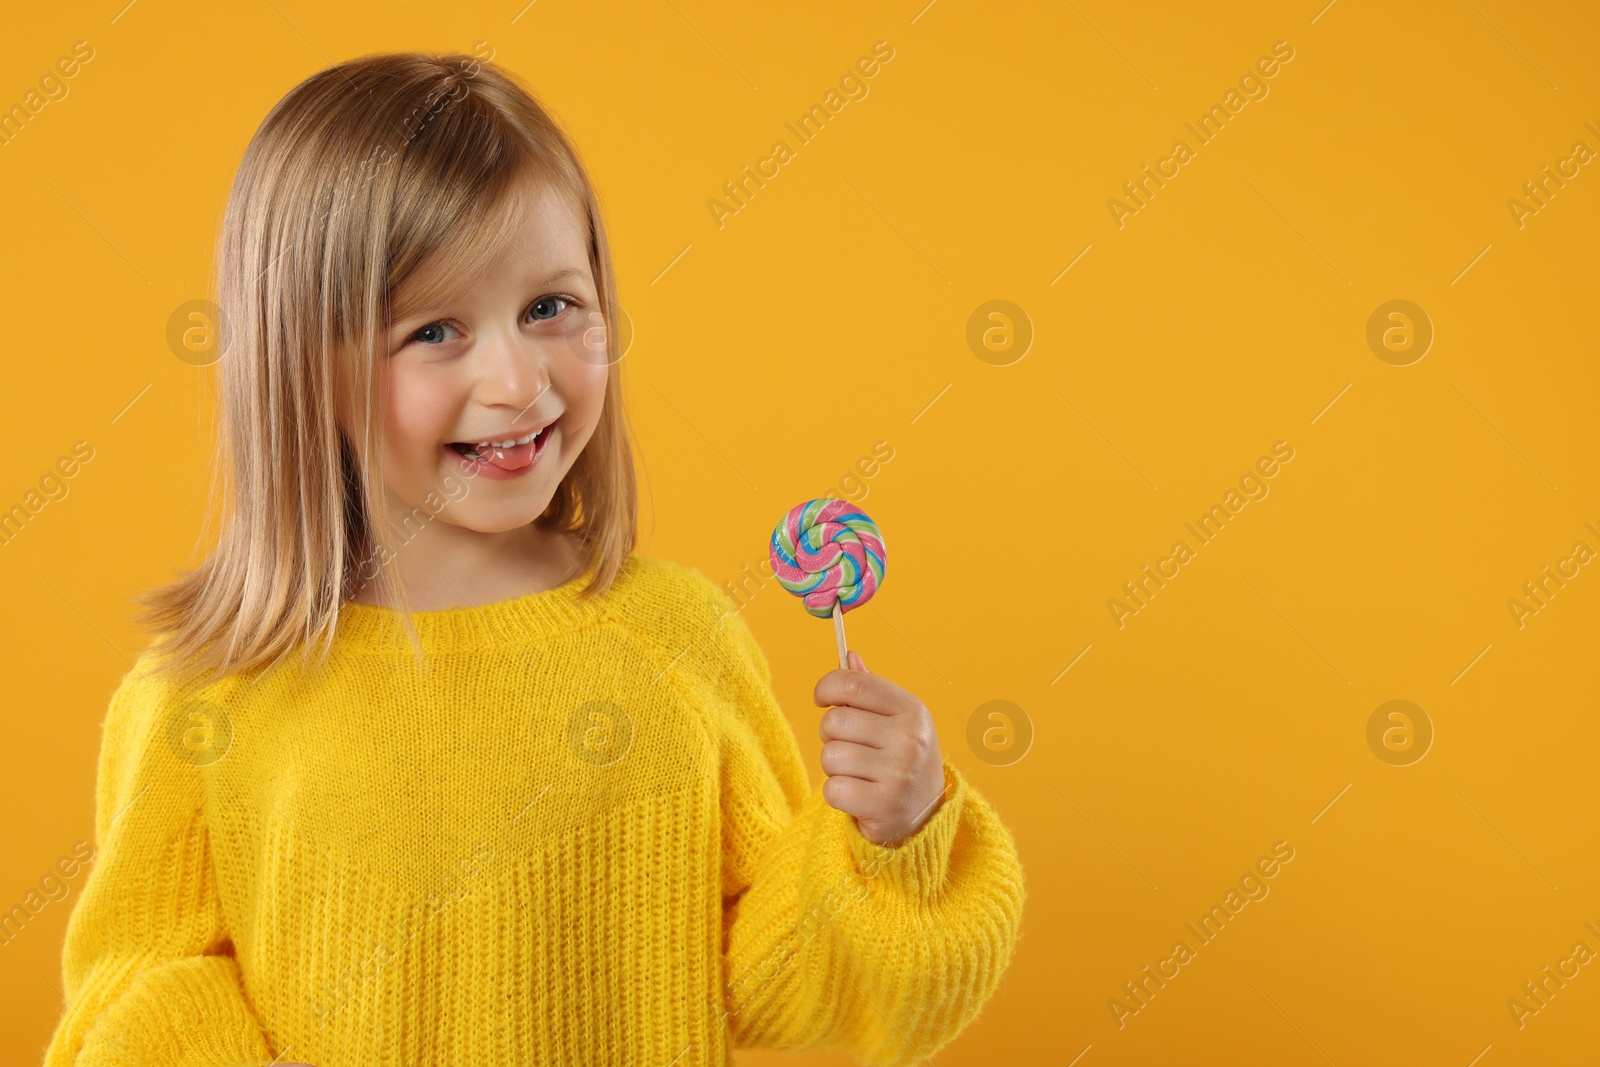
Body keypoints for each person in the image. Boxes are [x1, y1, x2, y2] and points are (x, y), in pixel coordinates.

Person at [41, 51, 1025, 1066]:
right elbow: (140, 974)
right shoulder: (208, 695)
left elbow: (782, 991)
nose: (516, 379)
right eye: (434, 329)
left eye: (550, 306)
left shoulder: (675, 638)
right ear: (301, 368)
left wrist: (891, 836)